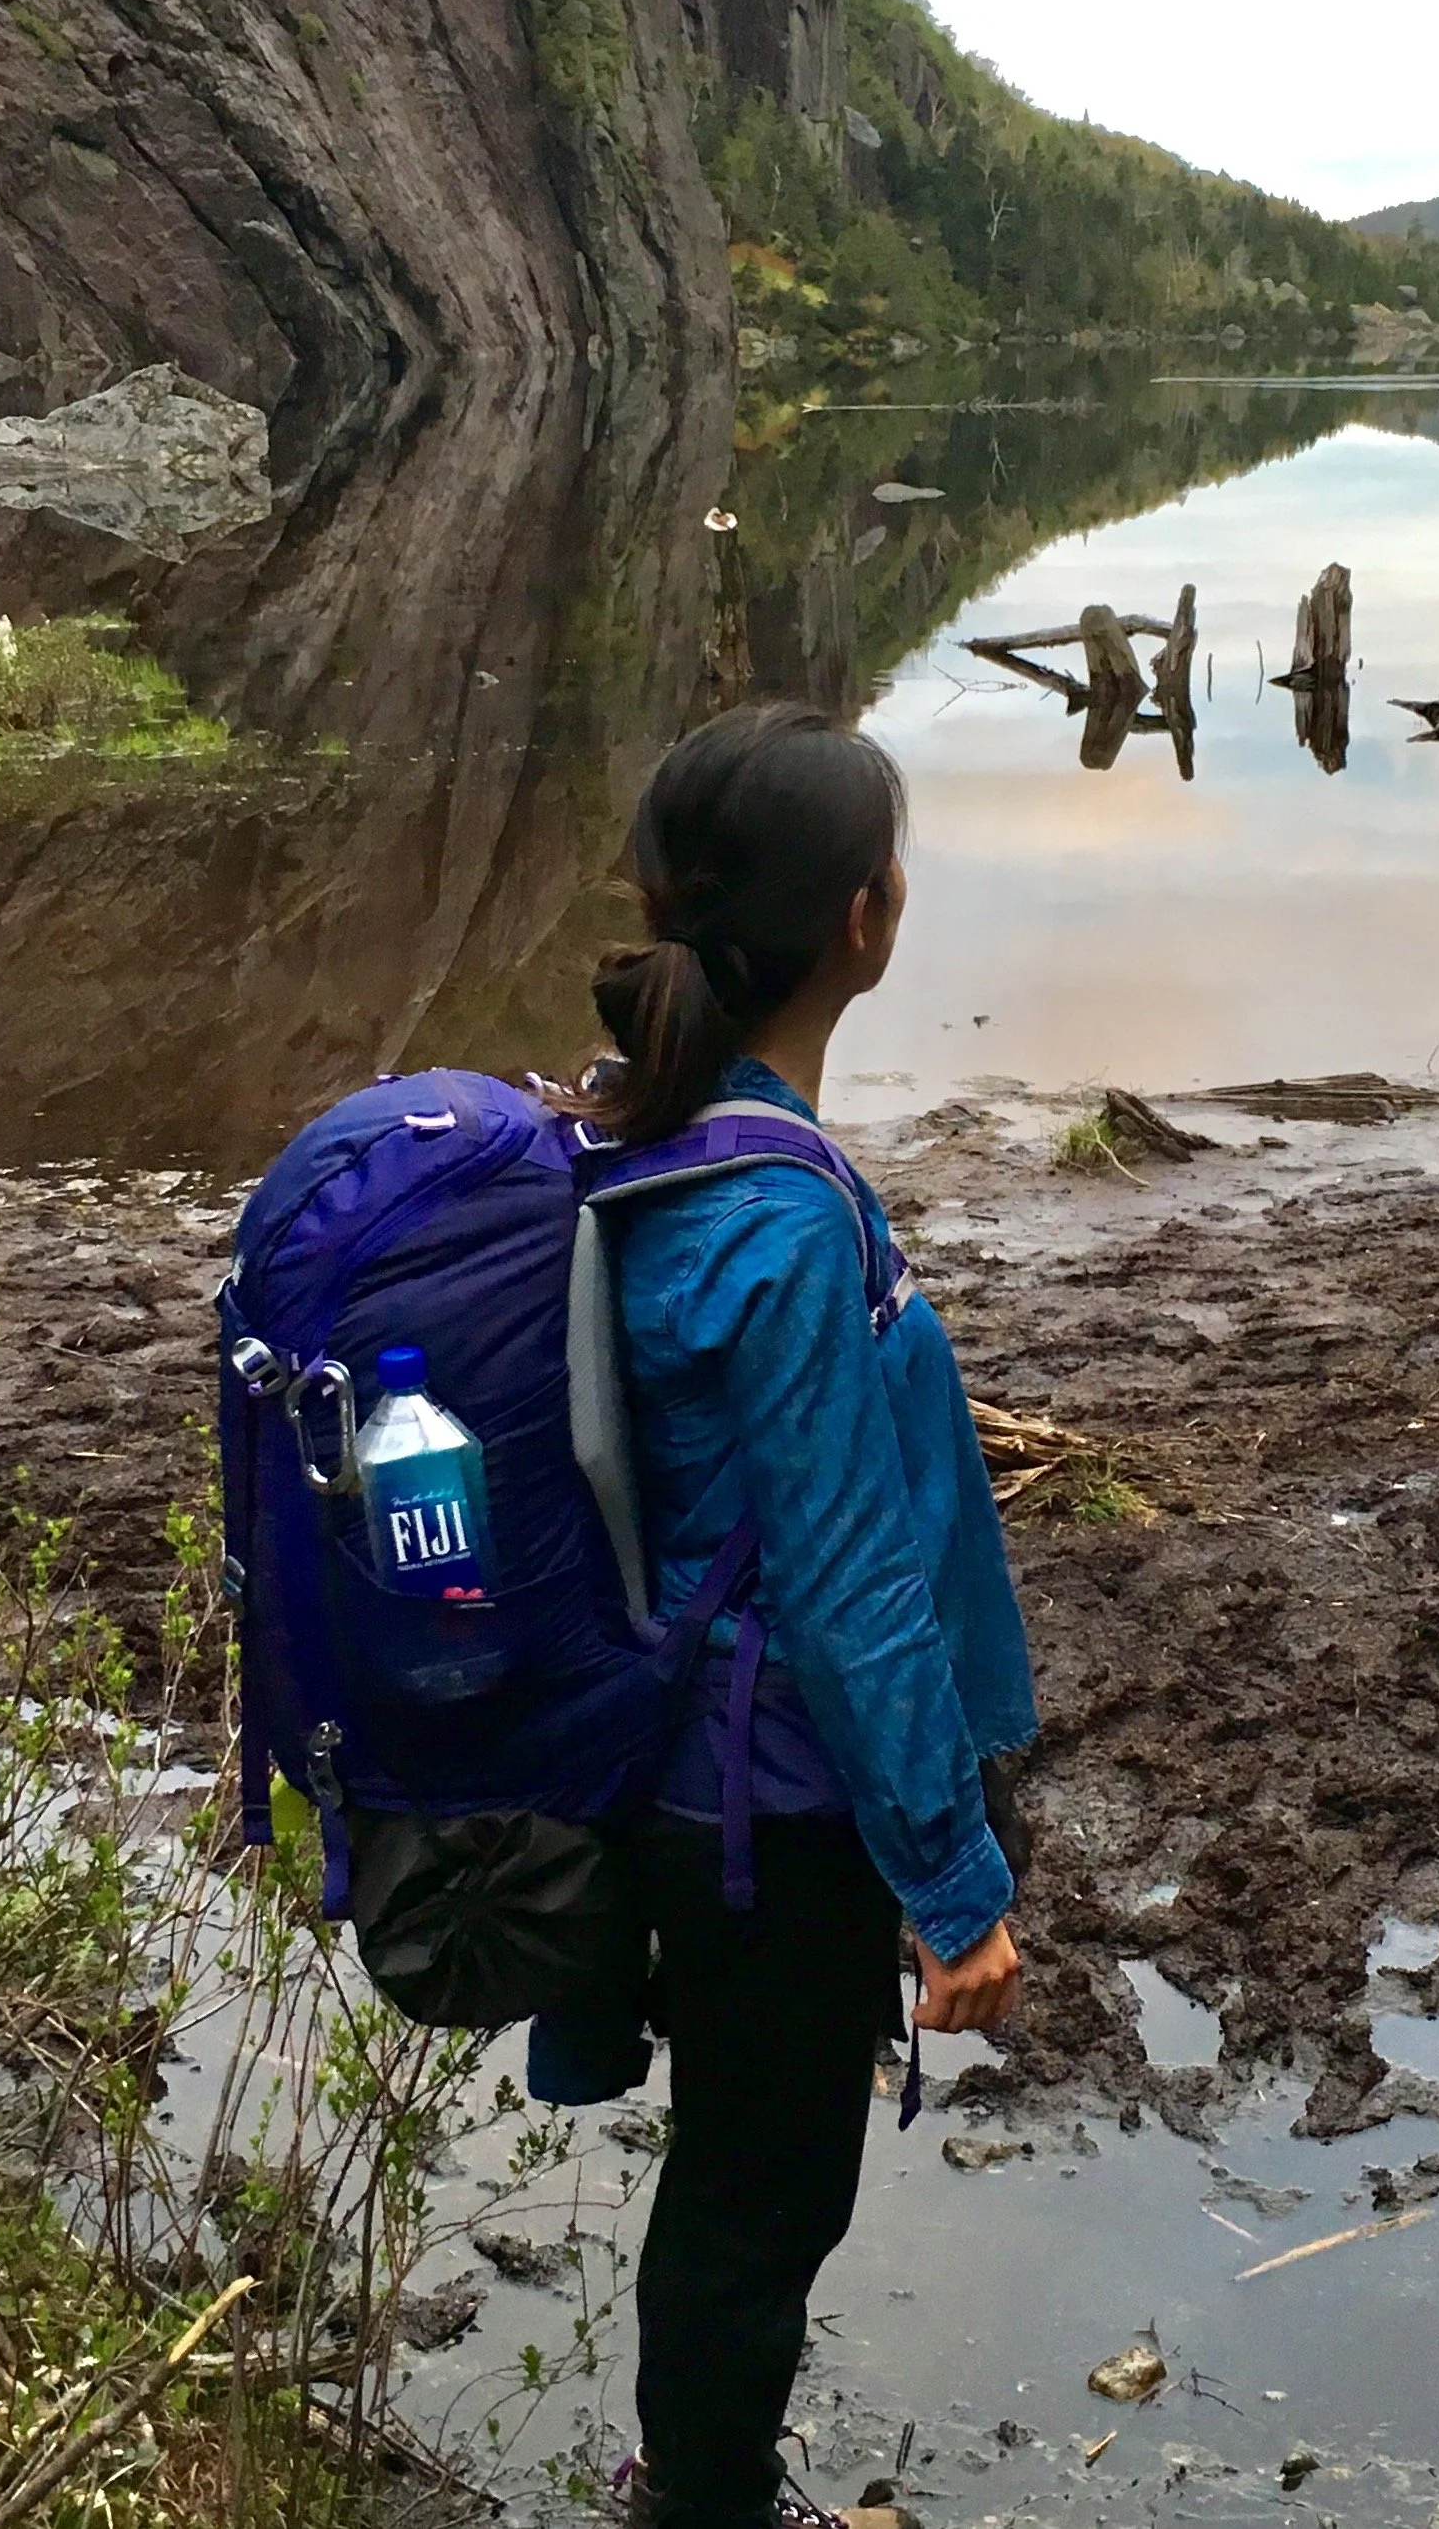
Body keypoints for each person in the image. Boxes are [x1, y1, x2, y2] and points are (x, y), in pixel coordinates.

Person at [577, 701, 1036, 2529]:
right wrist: (951, 1883)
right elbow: (851, 1588)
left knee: (735, 2183)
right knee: (765, 2203)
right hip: (772, 1809)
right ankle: (699, 2506)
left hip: (672, 1777)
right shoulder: (779, 1220)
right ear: (867, 919)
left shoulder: (632, 1137)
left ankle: (696, 2483)